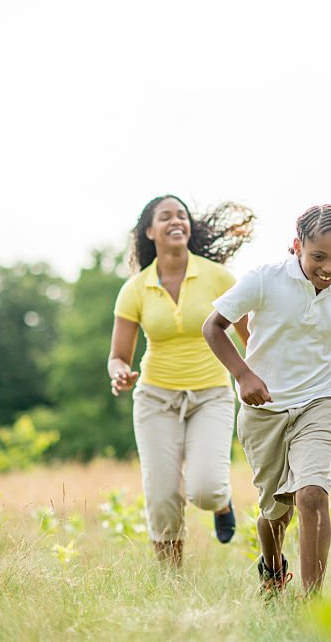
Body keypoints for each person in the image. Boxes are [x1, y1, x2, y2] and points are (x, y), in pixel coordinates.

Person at [203, 205, 331, 595]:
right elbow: (212, 326)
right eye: (318, 257)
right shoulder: (264, 280)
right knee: (276, 512)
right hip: (263, 410)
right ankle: (272, 567)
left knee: (312, 494)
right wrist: (244, 374)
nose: (329, 268)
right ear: (298, 246)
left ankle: (313, 602)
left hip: (318, 403)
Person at [108, 194, 254, 567]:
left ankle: (220, 503)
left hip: (211, 394)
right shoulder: (135, 288)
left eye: (182, 216)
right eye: (166, 216)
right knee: (161, 494)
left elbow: (250, 338)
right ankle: (173, 581)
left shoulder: (217, 276)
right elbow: (118, 356)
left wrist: (260, 375)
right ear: (149, 231)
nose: (176, 221)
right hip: (156, 398)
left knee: (205, 489)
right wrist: (120, 374)